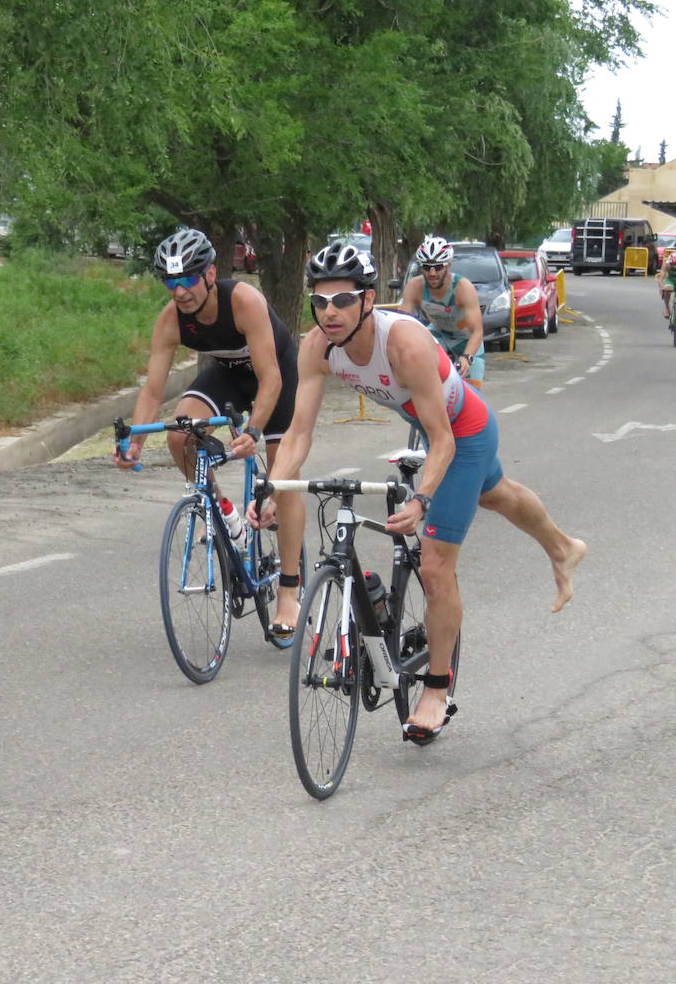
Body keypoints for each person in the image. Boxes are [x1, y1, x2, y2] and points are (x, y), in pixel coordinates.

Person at [251, 241, 585, 741]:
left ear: (367, 300)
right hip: (428, 424)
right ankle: (563, 547)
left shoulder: (403, 344)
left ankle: (436, 686)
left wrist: (420, 499)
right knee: (495, 495)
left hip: (464, 429)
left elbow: (444, 440)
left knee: (434, 564)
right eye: (319, 302)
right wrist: (278, 488)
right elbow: (299, 433)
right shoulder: (317, 346)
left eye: (342, 300)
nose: (330, 312)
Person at [117, 227, 303, 634]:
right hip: (229, 375)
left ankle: (289, 590)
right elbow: (152, 389)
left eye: (187, 279)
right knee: (180, 433)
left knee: (282, 481)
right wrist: (134, 443)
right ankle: (221, 507)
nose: (179, 291)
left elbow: (270, 378)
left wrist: (253, 430)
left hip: (277, 375)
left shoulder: (243, 301)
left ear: (210, 275)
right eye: (170, 281)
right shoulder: (171, 319)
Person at [395, 236, 485, 389]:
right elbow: (403, 325)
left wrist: (466, 358)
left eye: (438, 267)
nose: (432, 273)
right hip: (438, 335)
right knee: (426, 383)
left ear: (448, 266)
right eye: (426, 267)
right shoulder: (415, 286)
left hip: (465, 340)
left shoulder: (463, 288)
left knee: (473, 394)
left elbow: (477, 332)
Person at [659, 248, 676, 320]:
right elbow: (661, 277)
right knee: (666, 289)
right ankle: (667, 308)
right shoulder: (667, 263)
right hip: (671, 280)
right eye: (673, 265)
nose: (675, 267)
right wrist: (661, 287)